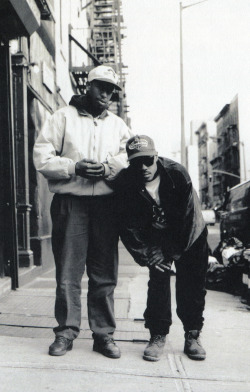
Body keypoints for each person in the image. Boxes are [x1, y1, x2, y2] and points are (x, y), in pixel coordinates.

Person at [33, 65, 132, 359]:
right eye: (101, 86)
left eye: (111, 89)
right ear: (87, 86)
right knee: (67, 271)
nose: (106, 94)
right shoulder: (62, 117)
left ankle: (103, 334)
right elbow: (41, 156)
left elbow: (130, 156)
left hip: (105, 205)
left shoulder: (118, 125)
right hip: (70, 203)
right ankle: (65, 332)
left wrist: (109, 167)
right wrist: (72, 166)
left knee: (104, 273)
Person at [113, 135, 209, 362]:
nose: (144, 167)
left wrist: (169, 250)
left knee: (192, 283)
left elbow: (188, 218)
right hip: (156, 236)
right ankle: (157, 335)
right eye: (137, 162)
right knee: (158, 281)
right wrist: (147, 254)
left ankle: (192, 334)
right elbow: (126, 227)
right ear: (129, 162)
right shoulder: (125, 183)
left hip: (190, 233)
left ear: (156, 157)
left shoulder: (176, 174)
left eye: (148, 160)